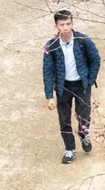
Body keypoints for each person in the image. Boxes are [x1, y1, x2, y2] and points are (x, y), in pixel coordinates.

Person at [42, 10, 101, 164]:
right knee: (64, 119)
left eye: (68, 24)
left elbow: (95, 60)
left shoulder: (83, 40)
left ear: (72, 24)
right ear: (56, 26)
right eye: (62, 24)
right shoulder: (52, 46)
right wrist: (49, 96)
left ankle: (84, 134)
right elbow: (47, 72)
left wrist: (90, 80)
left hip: (82, 85)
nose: (66, 27)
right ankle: (70, 149)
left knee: (83, 115)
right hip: (63, 87)